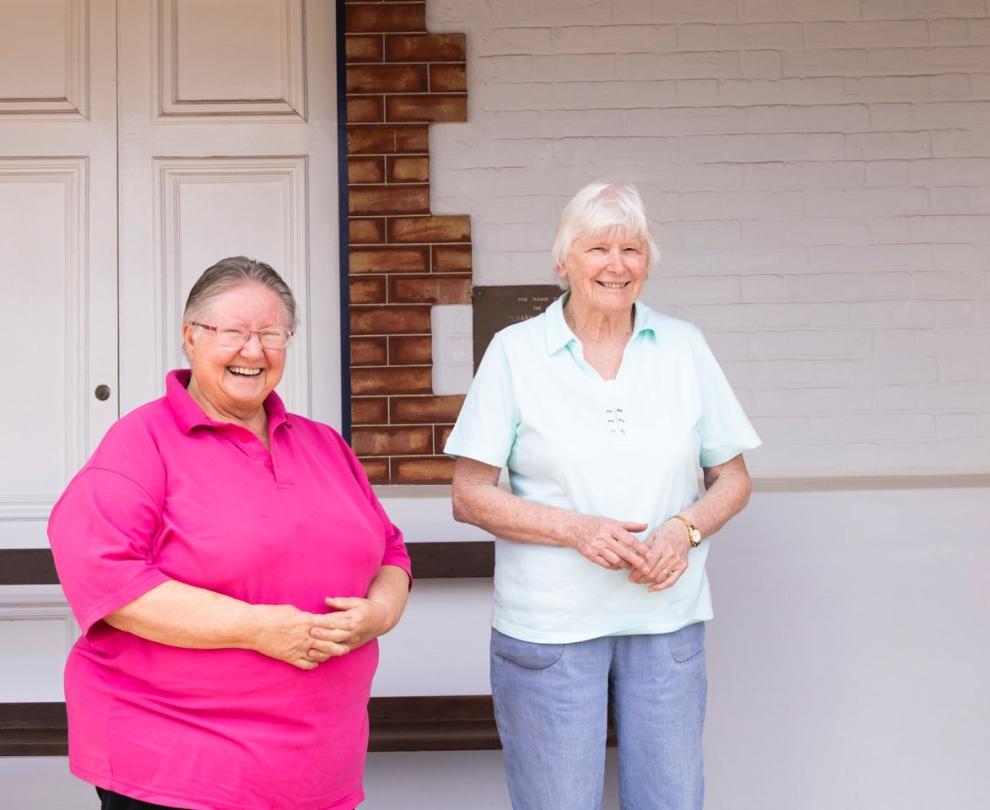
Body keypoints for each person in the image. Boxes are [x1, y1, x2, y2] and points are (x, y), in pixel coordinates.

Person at [48, 256, 411, 810]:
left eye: (271, 333)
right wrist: (256, 628)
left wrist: (380, 613)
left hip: (318, 765)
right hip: (180, 765)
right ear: (190, 337)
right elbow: (106, 578)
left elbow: (389, 549)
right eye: (234, 332)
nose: (253, 350)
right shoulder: (141, 443)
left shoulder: (324, 446)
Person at [445, 182, 760, 810]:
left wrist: (683, 530)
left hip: (665, 622)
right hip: (551, 628)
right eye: (597, 248)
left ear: (647, 262)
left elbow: (733, 478)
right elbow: (469, 494)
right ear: (564, 262)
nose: (616, 265)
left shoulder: (684, 346)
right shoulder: (515, 353)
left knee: (671, 801)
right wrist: (576, 530)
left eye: (632, 249)